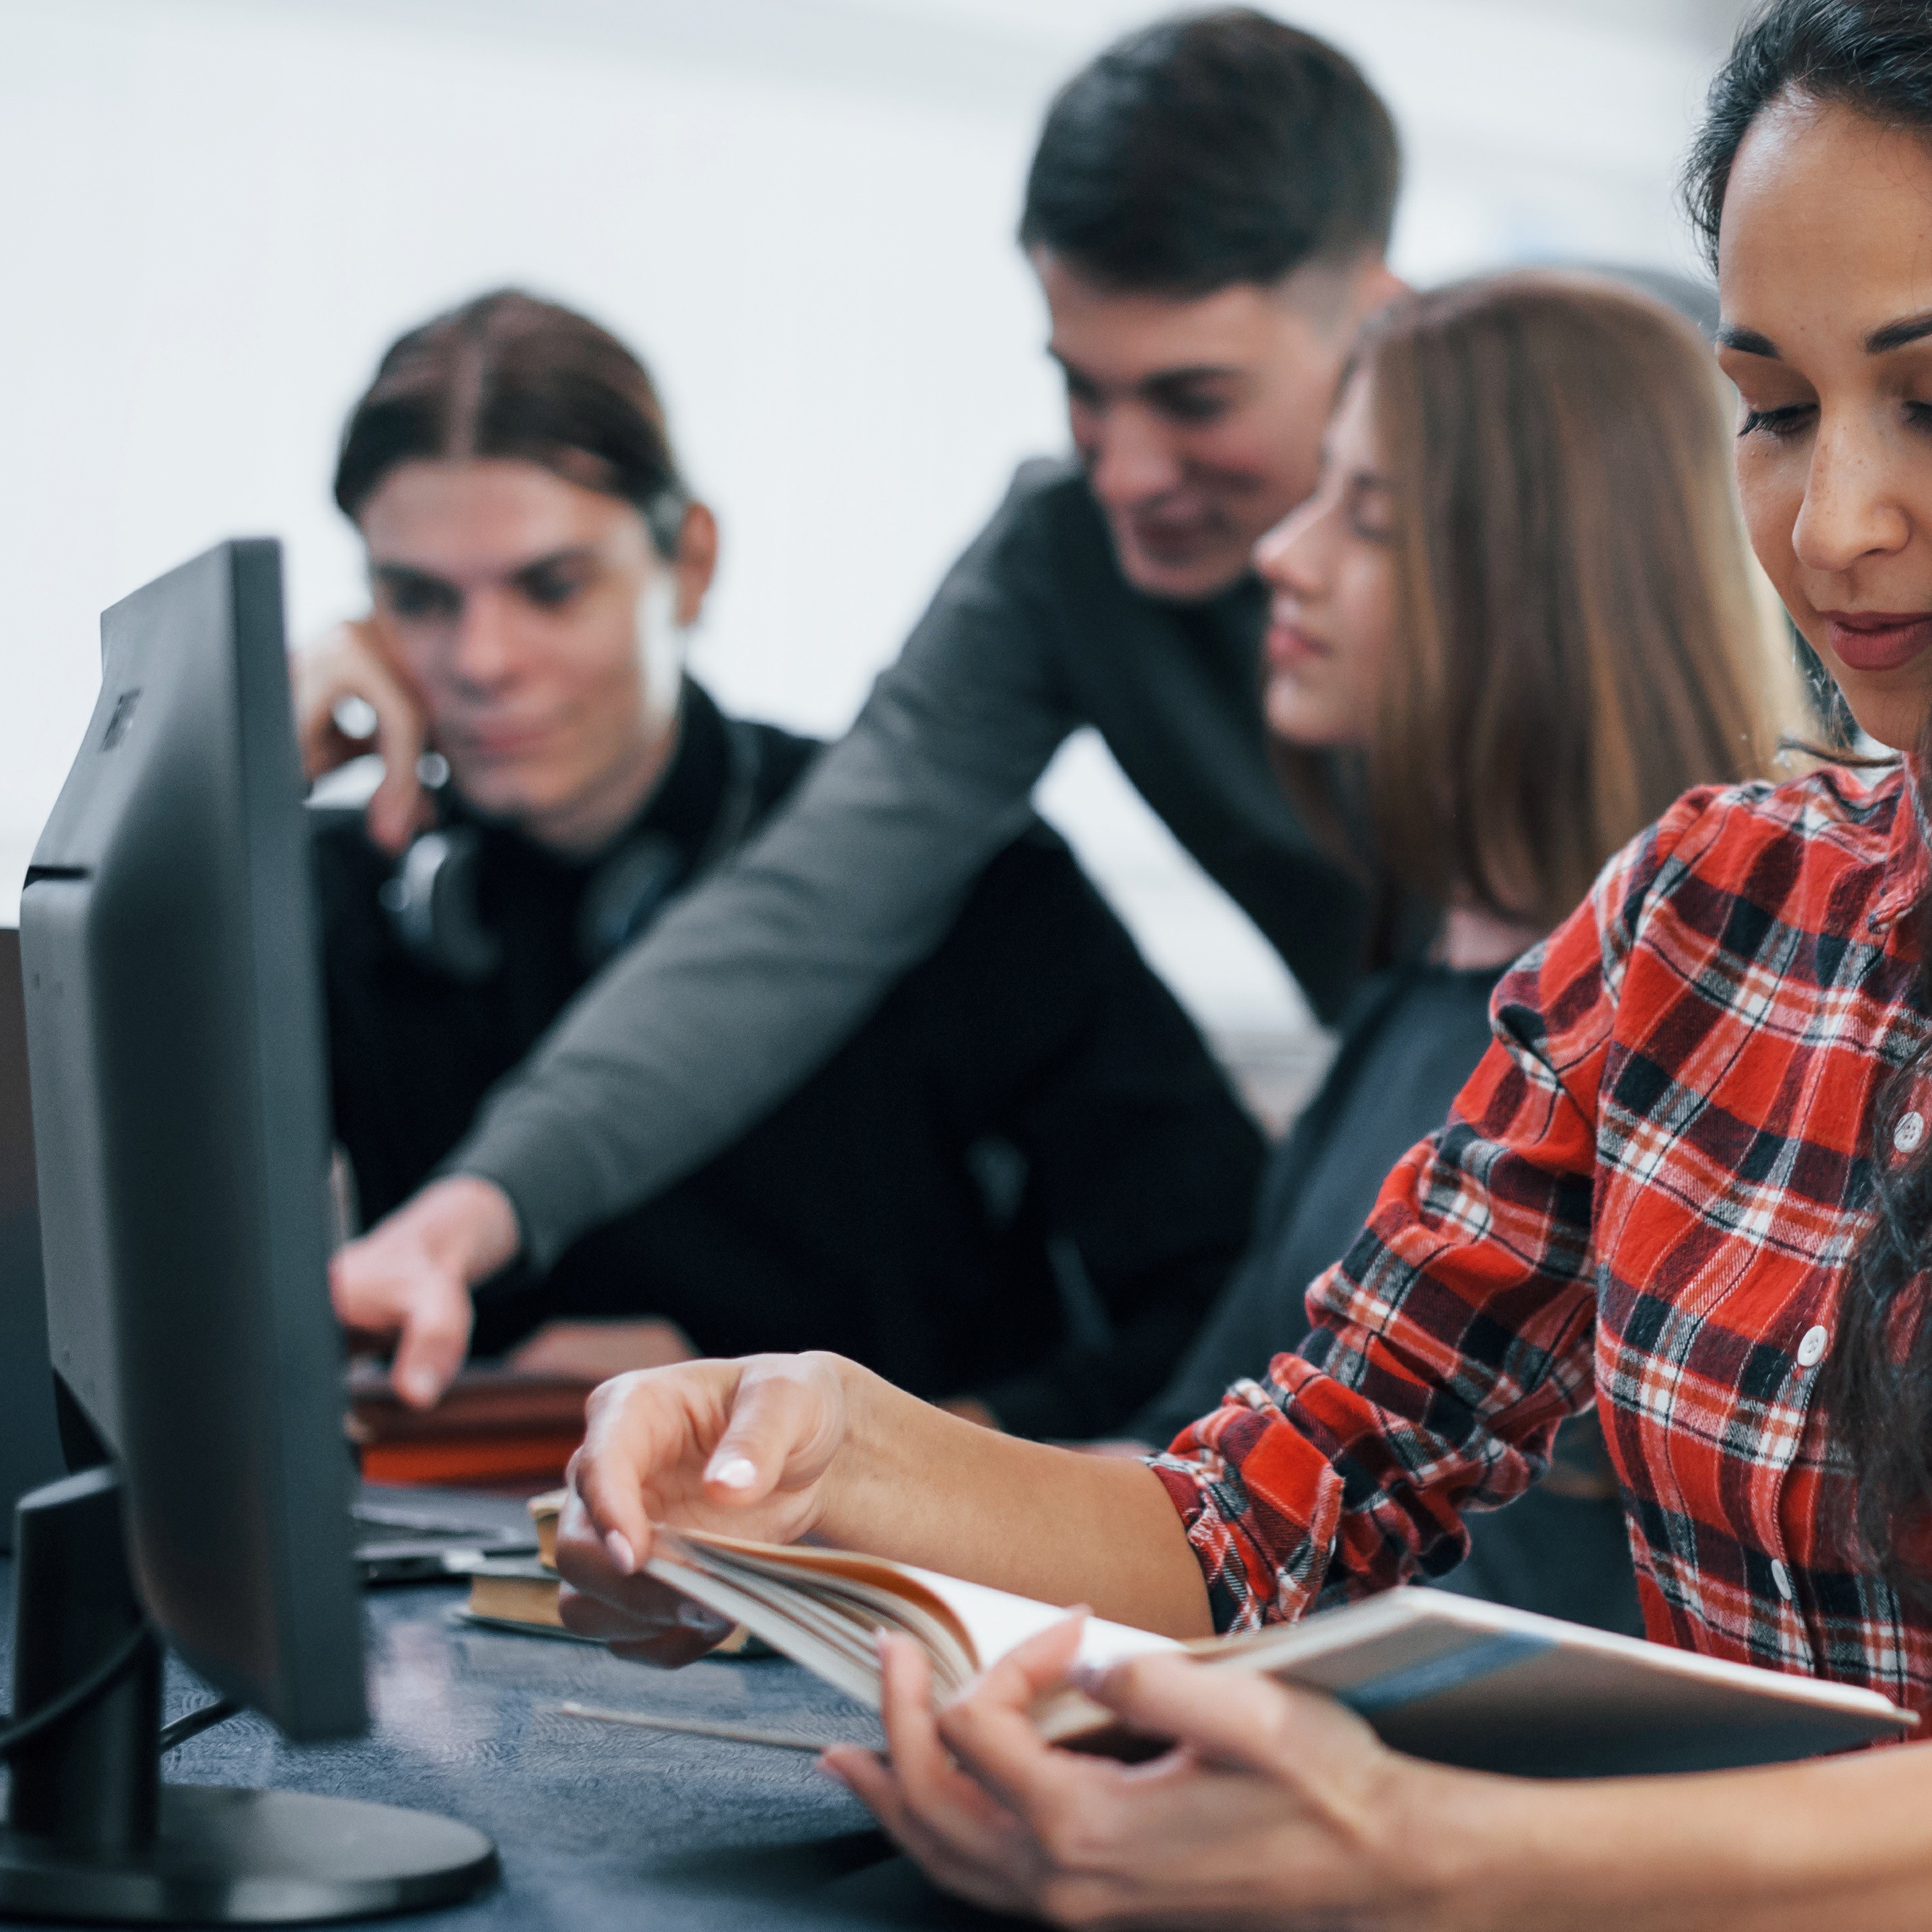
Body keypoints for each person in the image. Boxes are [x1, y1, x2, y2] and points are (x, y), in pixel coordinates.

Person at [555, 0, 1932, 1932]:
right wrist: (817, 1465)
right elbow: (1276, 1501)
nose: (1832, 523)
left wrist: (1445, 1861)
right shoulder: (1700, 910)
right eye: (1770, 408)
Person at [302, 11, 1406, 1391]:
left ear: (1380, 315)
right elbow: (813, 904)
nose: (1123, 472)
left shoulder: (1588, 497)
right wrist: (472, 1219)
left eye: (1192, 398)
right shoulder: (1059, 559)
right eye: (1080, 389)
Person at [312, 290, 1266, 1438]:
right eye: (416, 600)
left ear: (692, 563)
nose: (481, 661)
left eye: (552, 586)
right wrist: (257, 762)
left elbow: (1235, 1303)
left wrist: (855, 1462)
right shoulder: (342, 890)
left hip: (906, 1586)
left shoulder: (943, 866)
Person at [1117, 270, 1801, 1635]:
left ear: (1535, 581)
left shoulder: (1685, 1050)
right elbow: (1200, 1473)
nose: (1282, 557)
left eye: (1366, 518)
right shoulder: (1419, 995)